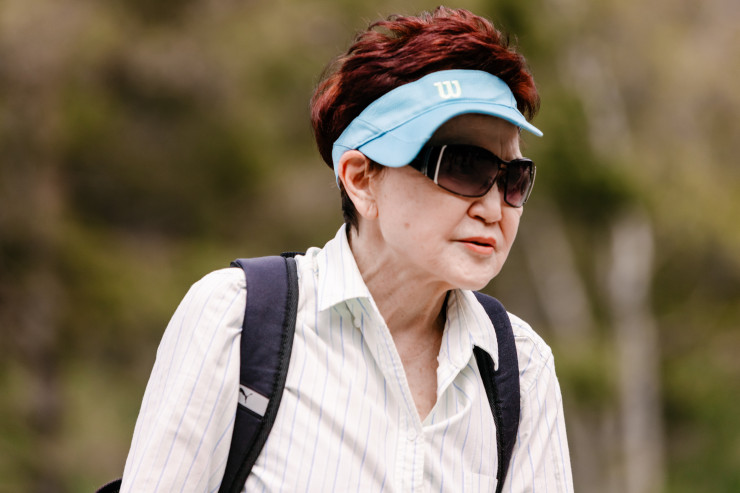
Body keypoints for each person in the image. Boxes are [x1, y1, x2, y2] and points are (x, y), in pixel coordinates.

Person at [120, 7, 573, 492]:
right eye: (464, 166)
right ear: (360, 180)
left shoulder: (522, 369)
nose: (493, 208)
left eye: (513, 178)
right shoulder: (235, 320)